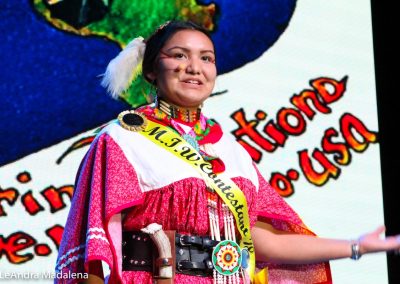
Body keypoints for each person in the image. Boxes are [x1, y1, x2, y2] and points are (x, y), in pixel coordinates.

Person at [55, 20, 400, 284]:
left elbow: (265, 242)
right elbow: (94, 247)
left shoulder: (231, 150)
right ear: (150, 71)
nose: (195, 67)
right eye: (179, 55)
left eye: (206, 58)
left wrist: (357, 246)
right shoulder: (122, 140)